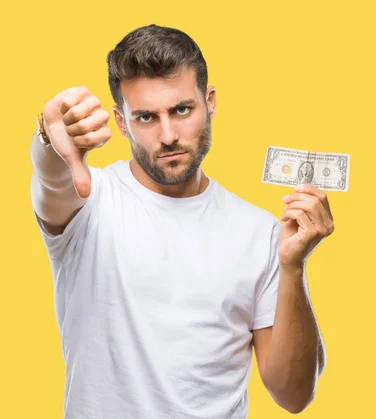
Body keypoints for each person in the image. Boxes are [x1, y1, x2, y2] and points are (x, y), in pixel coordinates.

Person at [29, 24, 333, 419]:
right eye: (145, 117)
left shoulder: (260, 233)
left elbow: (293, 396)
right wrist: (49, 141)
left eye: (181, 109)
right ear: (121, 123)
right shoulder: (89, 203)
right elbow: (52, 180)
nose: (168, 135)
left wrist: (294, 267)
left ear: (210, 102)